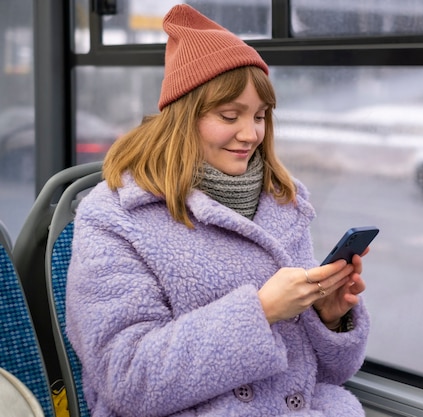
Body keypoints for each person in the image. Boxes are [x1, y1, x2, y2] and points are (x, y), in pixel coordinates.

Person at [65, 4, 370, 417]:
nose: (251, 135)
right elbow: (127, 378)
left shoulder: (281, 201)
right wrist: (260, 313)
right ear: (183, 118)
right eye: (230, 116)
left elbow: (328, 375)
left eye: (260, 117)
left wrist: (329, 318)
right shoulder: (115, 217)